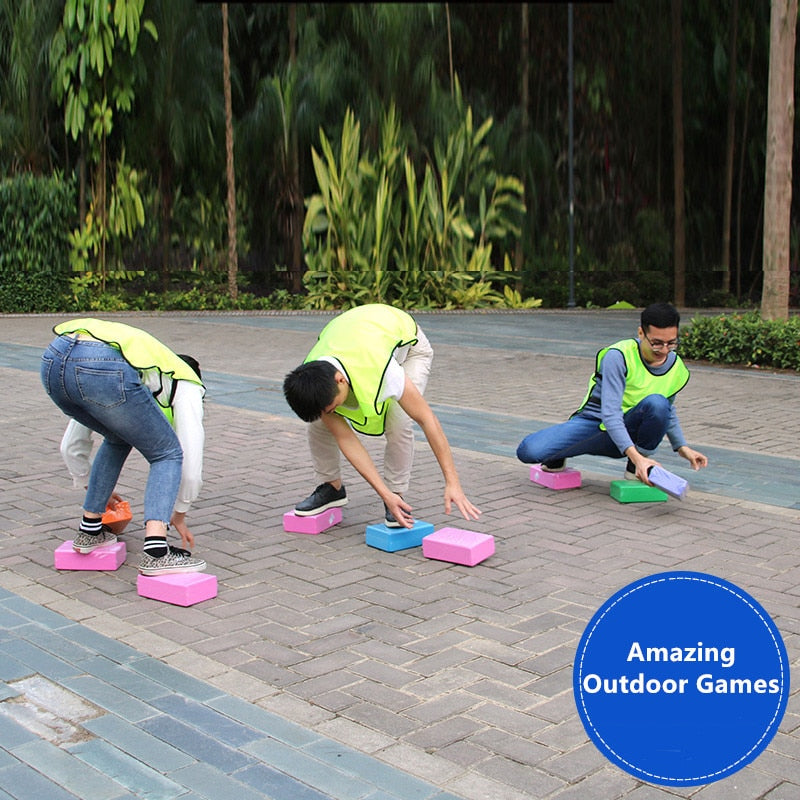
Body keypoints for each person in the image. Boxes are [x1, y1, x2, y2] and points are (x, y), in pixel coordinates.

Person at [283, 303, 481, 529]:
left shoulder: (381, 370)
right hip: (360, 334)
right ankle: (332, 488)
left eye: (332, 406)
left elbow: (427, 419)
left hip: (410, 348)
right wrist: (380, 491)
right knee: (319, 424)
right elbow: (346, 439)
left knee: (399, 420)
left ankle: (397, 495)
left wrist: (452, 482)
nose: (332, 412)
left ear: (340, 380)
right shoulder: (313, 377)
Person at [41, 318, 207, 575]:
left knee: (118, 437)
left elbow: (71, 444)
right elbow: (190, 459)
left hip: (53, 357)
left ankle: (89, 531)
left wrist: (91, 485)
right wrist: (180, 512)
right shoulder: (186, 383)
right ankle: (156, 552)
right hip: (99, 362)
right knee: (167, 453)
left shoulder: (141, 367)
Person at [516, 302, 708, 483]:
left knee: (658, 404)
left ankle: (636, 466)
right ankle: (560, 454)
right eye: (657, 343)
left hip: (631, 430)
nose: (664, 350)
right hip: (595, 424)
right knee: (529, 451)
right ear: (641, 333)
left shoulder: (677, 368)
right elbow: (610, 413)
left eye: (671, 343)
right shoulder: (618, 356)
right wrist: (634, 453)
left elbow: (667, 411)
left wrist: (682, 447)